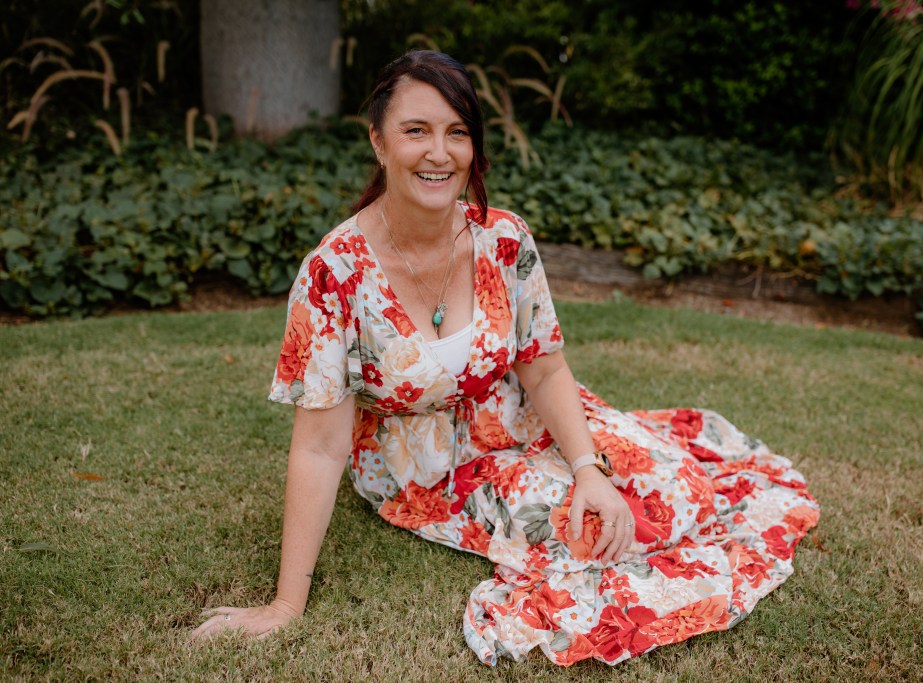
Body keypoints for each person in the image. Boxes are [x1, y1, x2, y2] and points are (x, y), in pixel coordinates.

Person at [190, 50, 819, 666]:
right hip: (431, 465)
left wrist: (588, 468)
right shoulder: (334, 275)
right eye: (417, 131)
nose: (439, 152)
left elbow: (543, 368)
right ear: (379, 143)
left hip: (520, 416)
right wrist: (285, 605)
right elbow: (319, 446)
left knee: (673, 488)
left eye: (456, 133)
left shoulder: (504, 237)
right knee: (585, 534)